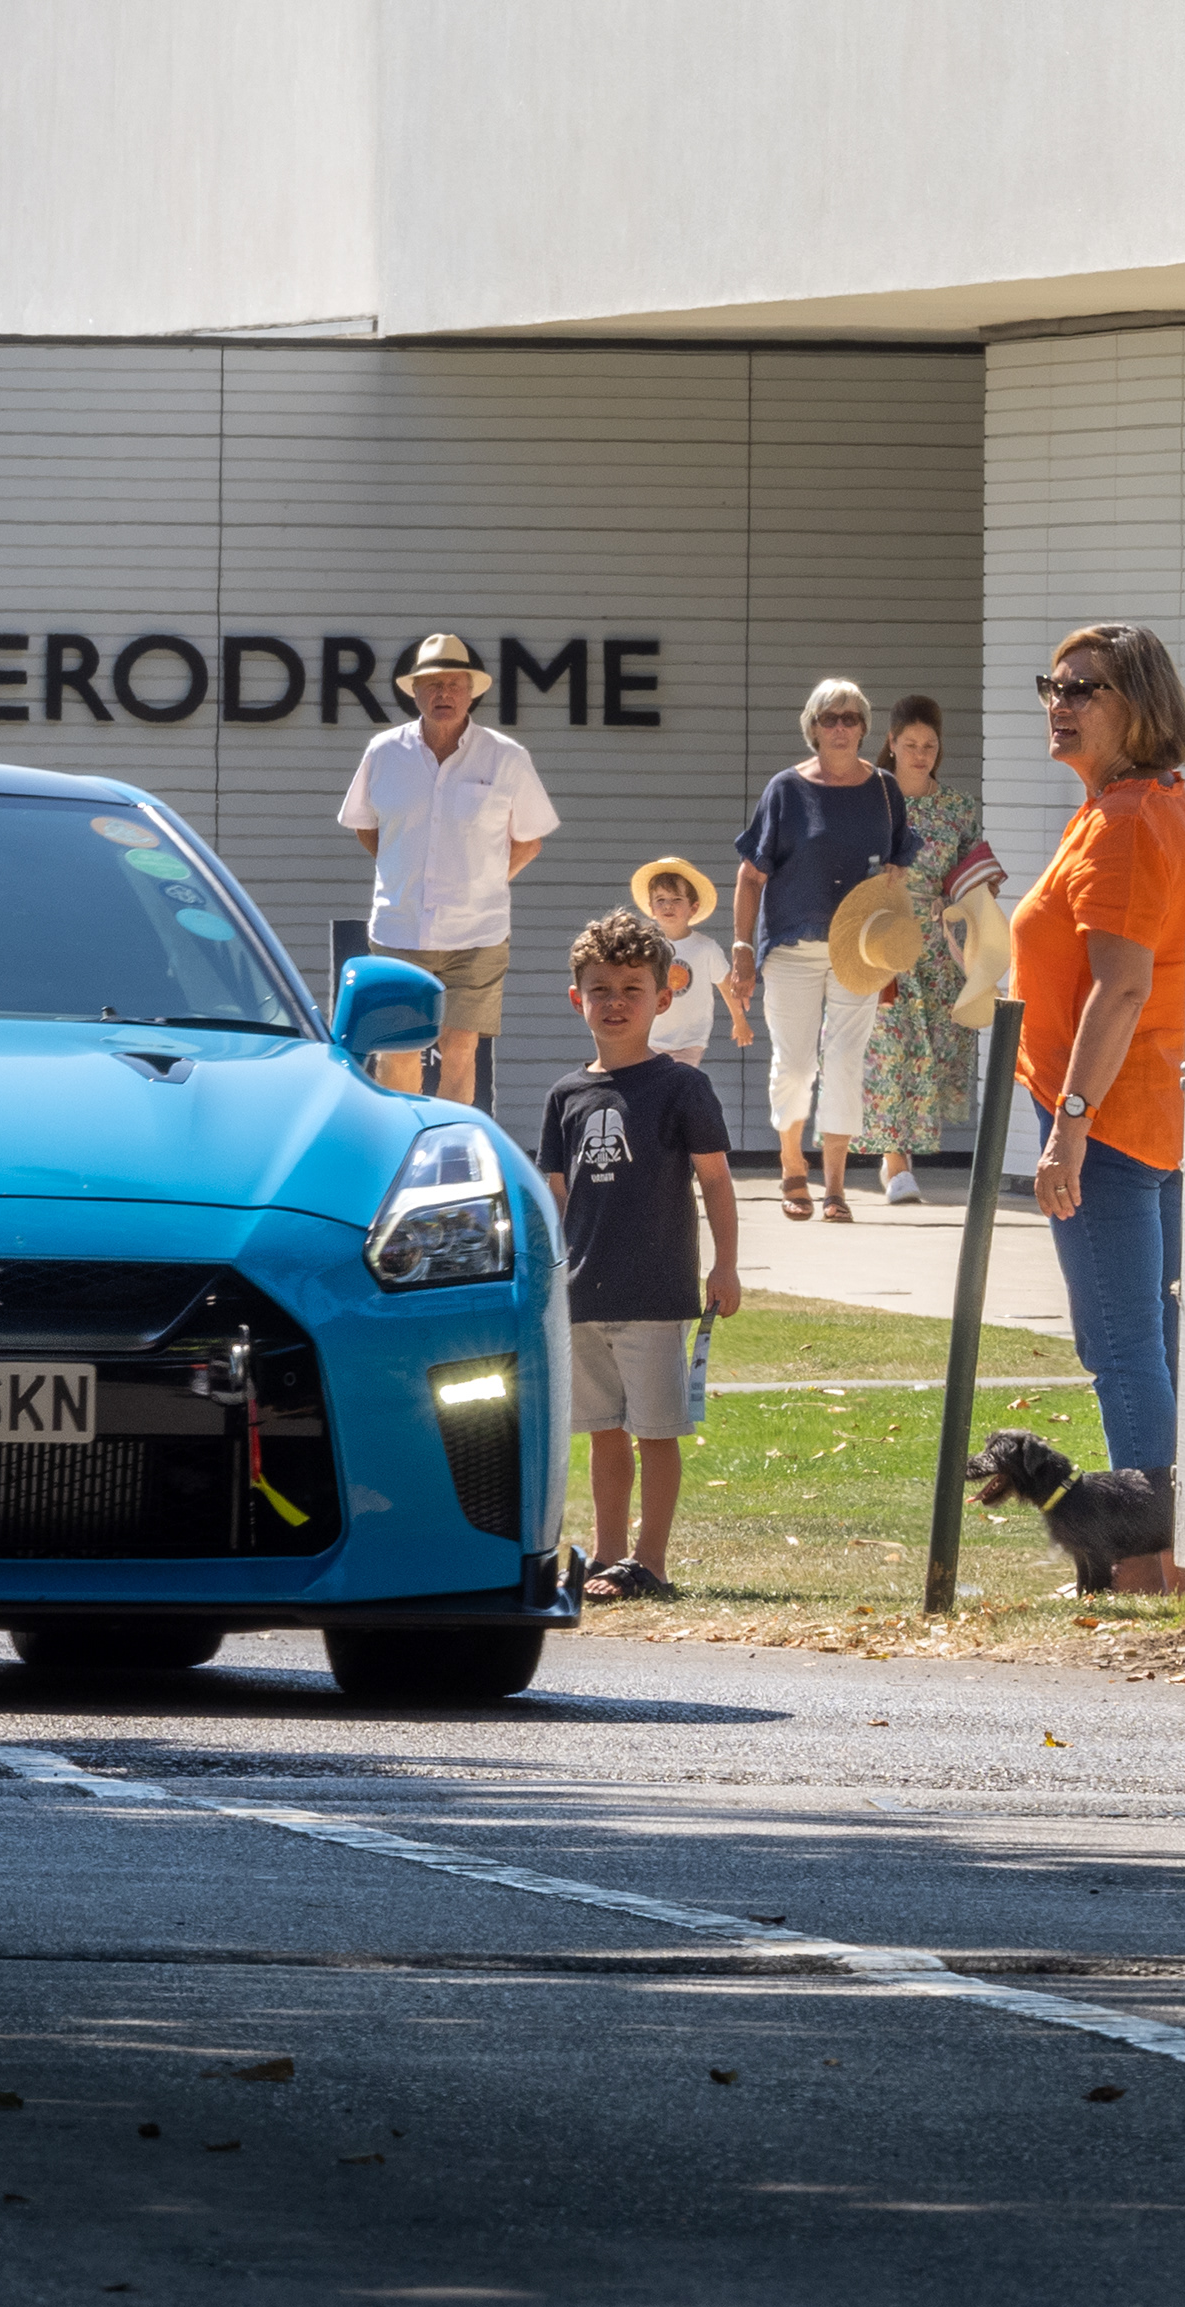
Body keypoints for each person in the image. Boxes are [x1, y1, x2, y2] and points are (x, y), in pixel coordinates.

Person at [1010, 624, 1185, 1598]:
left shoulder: (1130, 820)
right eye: (1053, 683)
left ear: (1139, 703)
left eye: (1084, 688)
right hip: (1146, 1119)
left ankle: (1145, 1564)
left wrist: (1071, 1122)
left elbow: (1121, 987)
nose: (1061, 701)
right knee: (1152, 1344)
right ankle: (1171, 1553)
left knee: (1122, 1347)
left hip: (1116, 1126)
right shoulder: (1136, 807)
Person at [541, 909, 743, 1604]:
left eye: (633, 988)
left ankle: (650, 1563)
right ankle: (606, 1554)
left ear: (664, 997)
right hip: (582, 1295)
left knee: (655, 1432)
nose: (616, 1001)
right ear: (578, 999)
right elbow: (557, 1197)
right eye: (600, 989)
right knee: (602, 1433)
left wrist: (724, 1265)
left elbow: (715, 1180)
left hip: (656, 1293)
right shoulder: (566, 1095)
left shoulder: (682, 1087)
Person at [725, 678, 918, 1222]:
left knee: (846, 1063)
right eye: (829, 718)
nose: (840, 727)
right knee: (795, 1063)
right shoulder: (786, 790)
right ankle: (792, 1166)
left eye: (851, 718)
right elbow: (750, 874)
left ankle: (834, 1185)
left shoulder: (883, 788)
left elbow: (900, 860)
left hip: (860, 950)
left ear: (863, 728)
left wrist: (892, 901)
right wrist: (742, 947)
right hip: (794, 944)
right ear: (812, 728)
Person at [338, 632, 560, 1103]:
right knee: (398, 1049)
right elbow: (365, 825)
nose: (444, 694)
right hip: (400, 926)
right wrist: (406, 870)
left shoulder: (507, 757)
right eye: (432, 684)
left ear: (472, 691)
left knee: (461, 1048)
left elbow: (529, 840)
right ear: (413, 692)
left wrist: (481, 880)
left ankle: (448, 1160)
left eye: (454, 684)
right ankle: (401, 1150)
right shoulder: (383, 752)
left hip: (477, 933)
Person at [853, 695, 1003, 1203]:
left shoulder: (957, 808)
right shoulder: (866, 797)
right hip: (879, 939)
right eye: (910, 744)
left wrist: (980, 910)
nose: (920, 754)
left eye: (930, 746)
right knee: (890, 1049)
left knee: (927, 1057)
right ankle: (894, 1165)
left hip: (938, 946)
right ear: (891, 744)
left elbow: (975, 877)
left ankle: (903, 1157)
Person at [627, 856, 749, 1062]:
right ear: (651, 908)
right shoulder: (645, 948)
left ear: (693, 908)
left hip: (690, 1040)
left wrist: (740, 1020)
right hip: (650, 1037)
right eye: (661, 900)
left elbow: (726, 986)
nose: (668, 906)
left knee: (679, 1087)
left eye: (676, 900)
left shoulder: (705, 948)